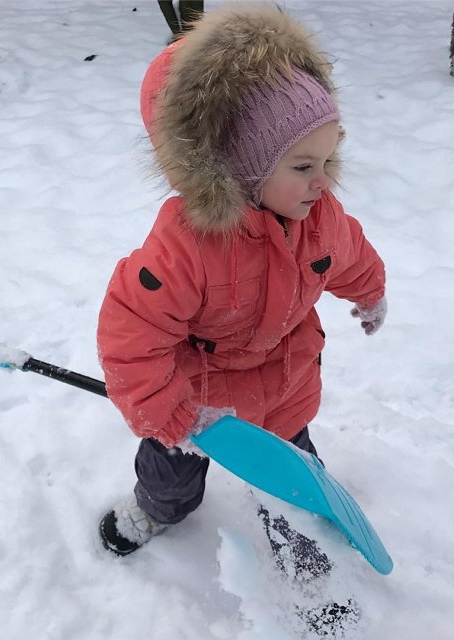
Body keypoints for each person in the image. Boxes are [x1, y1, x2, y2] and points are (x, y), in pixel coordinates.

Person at [97, 3, 387, 556]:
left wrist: (370, 292)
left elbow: (351, 256)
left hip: (284, 386)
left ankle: (306, 543)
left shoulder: (319, 217)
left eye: (328, 160)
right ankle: (157, 510)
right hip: (198, 403)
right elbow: (130, 334)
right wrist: (168, 411)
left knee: (295, 483)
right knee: (171, 480)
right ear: (240, 168)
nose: (323, 181)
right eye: (303, 167)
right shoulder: (187, 246)